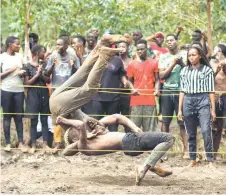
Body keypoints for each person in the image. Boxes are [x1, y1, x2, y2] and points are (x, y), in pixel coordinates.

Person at [60, 114, 174, 186]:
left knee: (158, 142)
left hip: (129, 144)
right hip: (130, 141)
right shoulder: (82, 145)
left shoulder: (96, 133)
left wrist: (135, 127)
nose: (79, 129)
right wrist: (65, 121)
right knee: (168, 138)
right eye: (74, 130)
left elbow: (117, 117)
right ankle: (144, 167)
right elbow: (80, 124)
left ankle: (151, 166)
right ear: (74, 138)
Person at [49, 34, 129, 135]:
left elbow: (75, 130)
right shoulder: (86, 122)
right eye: (103, 129)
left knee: (89, 90)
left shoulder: (85, 138)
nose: (102, 128)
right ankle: (102, 43)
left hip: (60, 109)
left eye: (101, 130)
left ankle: (103, 56)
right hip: (56, 99)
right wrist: (95, 123)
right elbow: (84, 118)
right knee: (82, 73)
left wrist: (92, 133)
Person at [178, 46, 215, 167]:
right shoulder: (184, 71)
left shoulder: (207, 70)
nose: (191, 57)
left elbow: (211, 91)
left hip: (203, 99)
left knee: (206, 130)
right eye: (189, 55)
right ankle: (193, 159)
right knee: (190, 132)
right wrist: (179, 109)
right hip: (188, 100)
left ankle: (210, 159)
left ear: (199, 56)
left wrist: (213, 109)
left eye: (194, 55)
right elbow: (182, 91)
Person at [46, 35, 80, 152]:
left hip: (69, 91)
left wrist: (73, 65)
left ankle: (72, 142)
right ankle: (57, 143)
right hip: (56, 91)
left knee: (70, 115)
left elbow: (79, 73)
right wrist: (53, 65)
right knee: (56, 117)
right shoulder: (53, 56)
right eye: (57, 44)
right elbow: (47, 72)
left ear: (66, 46)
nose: (58, 47)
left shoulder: (73, 56)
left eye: (60, 44)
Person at [158, 34, 188, 159]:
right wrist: (172, 64)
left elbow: (189, 71)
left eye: (172, 40)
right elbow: (162, 76)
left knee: (182, 122)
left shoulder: (186, 55)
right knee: (165, 122)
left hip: (182, 92)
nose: (169, 42)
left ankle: (187, 150)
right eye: (167, 41)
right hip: (167, 91)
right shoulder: (163, 57)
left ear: (177, 41)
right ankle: (163, 151)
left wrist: (180, 62)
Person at [127, 39, 160, 132]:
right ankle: (135, 146)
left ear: (147, 49)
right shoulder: (132, 64)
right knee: (134, 128)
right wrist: (132, 89)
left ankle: (149, 147)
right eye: (138, 49)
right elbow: (129, 81)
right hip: (136, 100)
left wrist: (157, 89)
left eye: (142, 49)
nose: (140, 51)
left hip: (150, 100)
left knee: (150, 129)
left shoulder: (154, 62)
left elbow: (157, 79)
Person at [0, 36, 26, 152]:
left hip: (19, 91)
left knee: (19, 117)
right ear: (10, 44)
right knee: (7, 117)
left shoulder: (20, 57)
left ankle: (20, 142)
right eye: (17, 44)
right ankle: (8, 143)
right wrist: (12, 70)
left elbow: (26, 70)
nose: (19, 46)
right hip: (6, 90)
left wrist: (22, 73)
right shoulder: (2, 57)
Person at [24, 44, 51, 153]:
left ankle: (45, 145)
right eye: (42, 52)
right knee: (34, 120)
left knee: (44, 120)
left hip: (44, 92)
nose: (44, 54)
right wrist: (36, 75)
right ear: (36, 53)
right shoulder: (27, 66)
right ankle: (34, 145)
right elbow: (26, 83)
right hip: (33, 93)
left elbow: (48, 80)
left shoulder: (44, 64)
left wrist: (41, 74)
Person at [210, 44, 226, 159]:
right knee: (213, 126)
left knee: (223, 127)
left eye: (215, 49)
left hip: (224, 96)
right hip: (214, 97)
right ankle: (212, 154)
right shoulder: (211, 63)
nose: (213, 51)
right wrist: (216, 70)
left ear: (220, 51)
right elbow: (209, 79)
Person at [118, 41, 132, 132]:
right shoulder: (114, 60)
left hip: (127, 93)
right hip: (114, 92)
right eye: (119, 46)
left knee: (127, 117)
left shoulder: (131, 62)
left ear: (128, 48)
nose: (121, 48)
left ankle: (128, 137)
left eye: (123, 46)